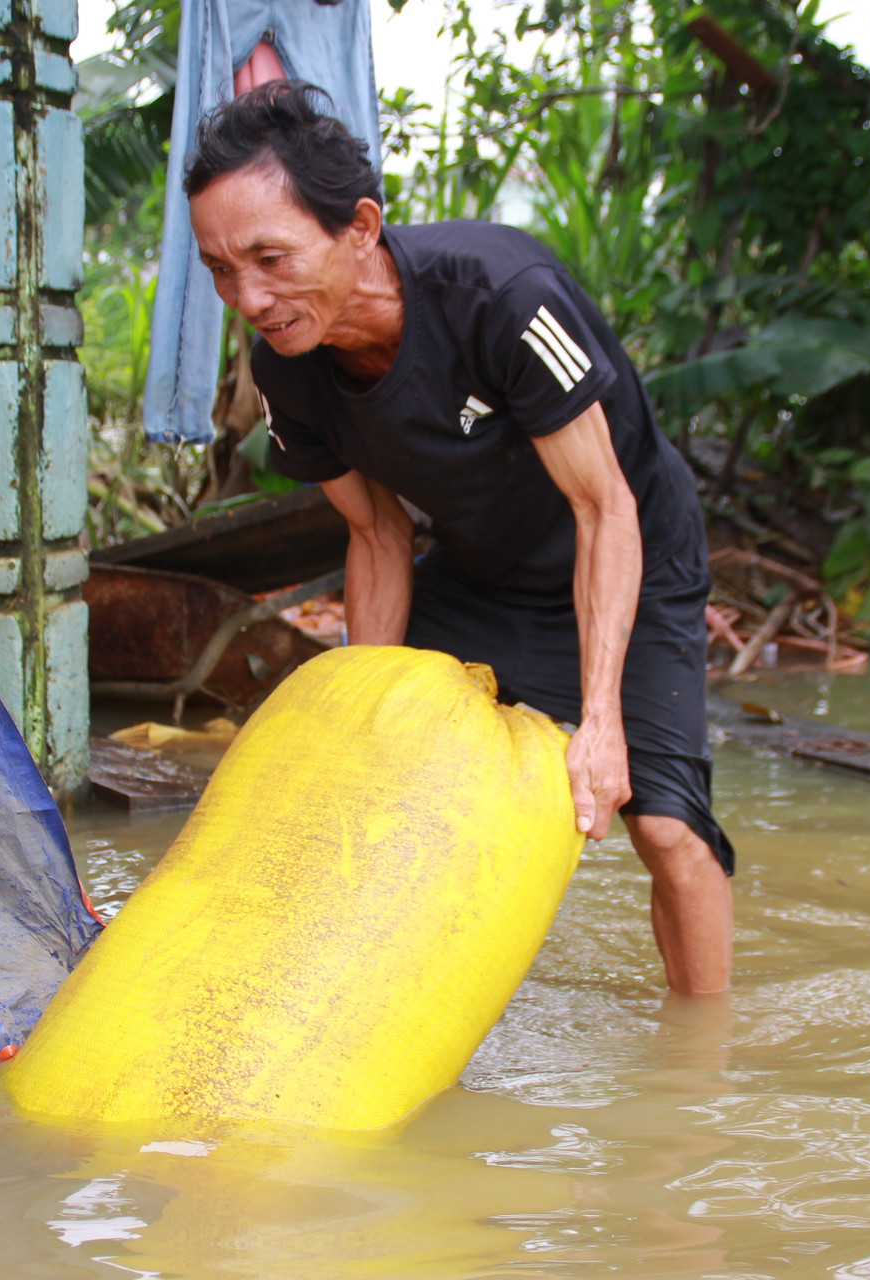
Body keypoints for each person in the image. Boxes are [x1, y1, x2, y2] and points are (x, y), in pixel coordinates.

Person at [184, 82, 735, 994]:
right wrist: (366, 718)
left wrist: (600, 723)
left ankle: (702, 1079)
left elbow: (607, 508)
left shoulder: (502, 297)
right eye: (220, 270)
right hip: (483, 570)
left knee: (666, 829)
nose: (249, 297)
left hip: (628, 556)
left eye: (271, 258)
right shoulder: (288, 365)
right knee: (379, 782)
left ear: (360, 228)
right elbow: (376, 533)